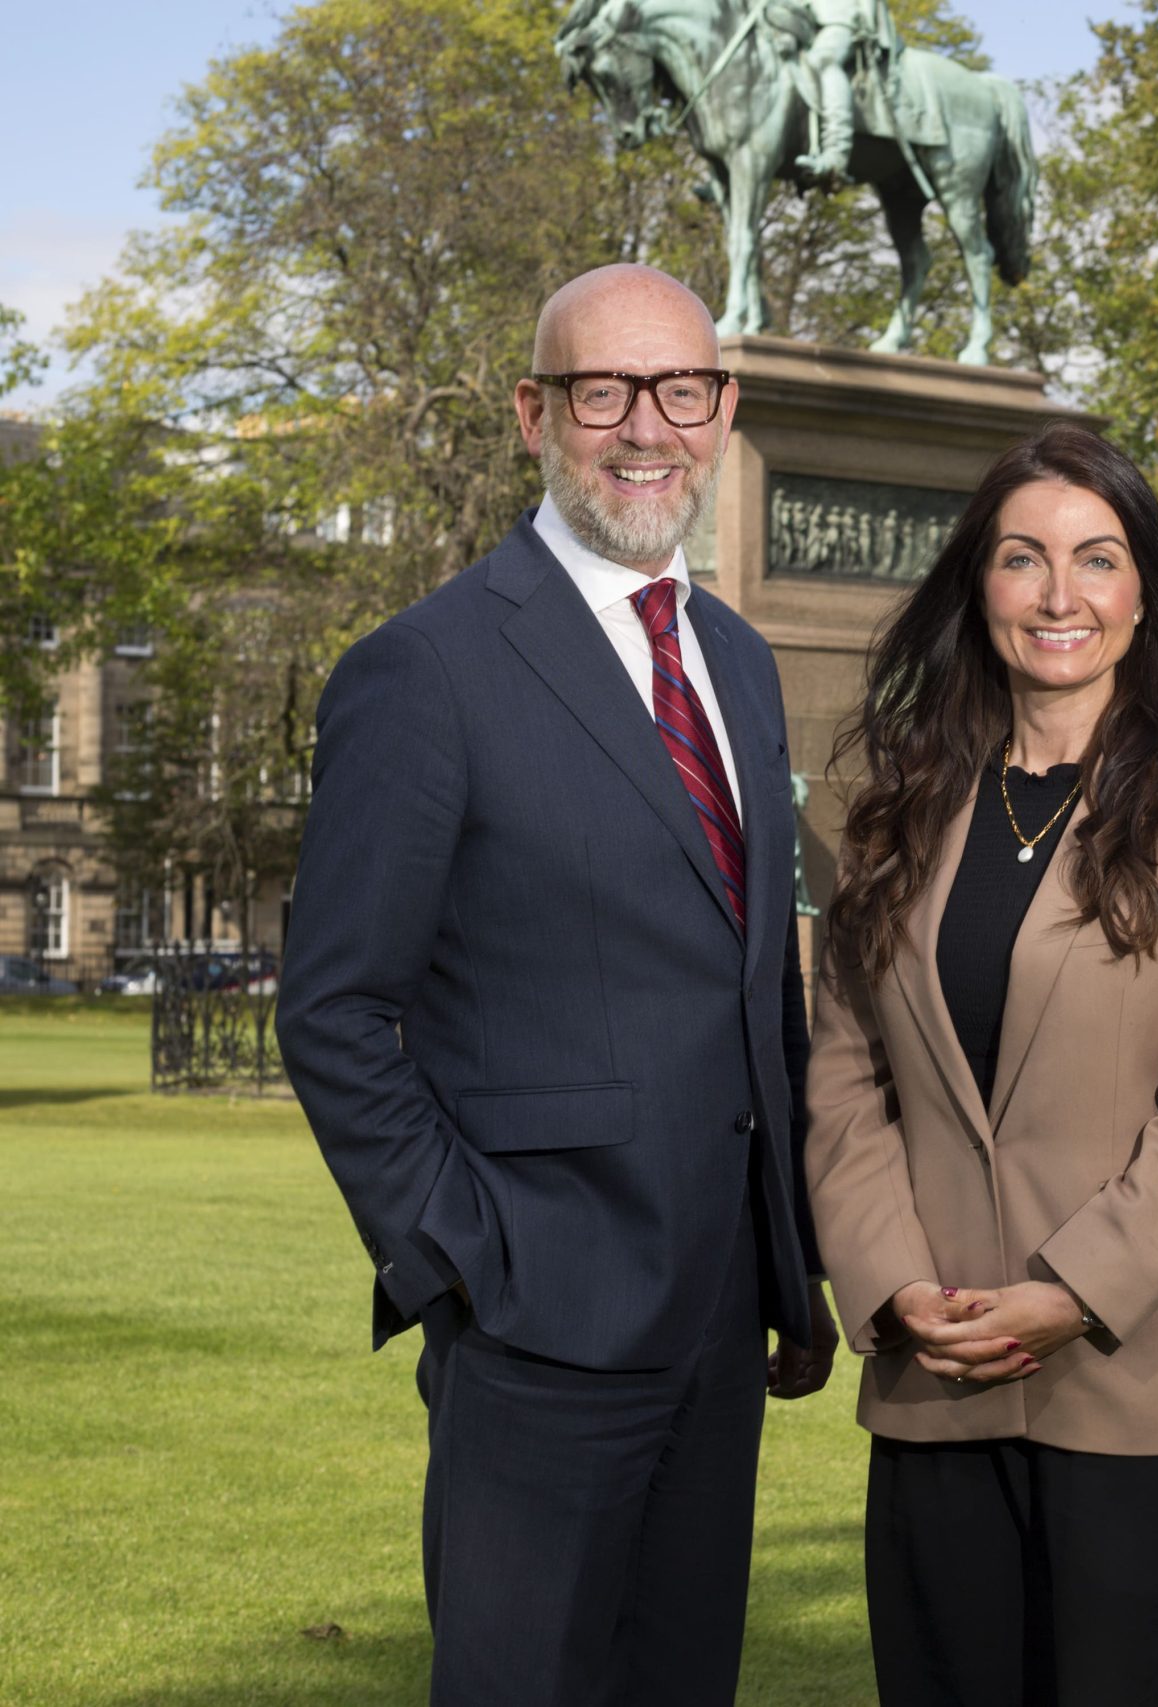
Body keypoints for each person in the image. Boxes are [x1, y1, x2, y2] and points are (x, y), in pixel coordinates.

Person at [275, 263, 837, 1707]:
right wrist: (465, 1253)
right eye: (604, 391)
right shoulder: (426, 669)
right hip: (534, 1321)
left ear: (723, 411)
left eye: (681, 390)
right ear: (536, 414)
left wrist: (791, 1256)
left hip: (723, 1315)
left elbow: (756, 979)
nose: (646, 427)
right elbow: (335, 1009)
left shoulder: (737, 661)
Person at [805, 421, 1158, 1707]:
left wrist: (1070, 1294)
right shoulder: (895, 812)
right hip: (939, 1383)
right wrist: (891, 1286)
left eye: (1096, 558)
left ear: (1142, 593)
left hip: (1150, 1390)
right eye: (1021, 557)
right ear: (977, 587)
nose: (1057, 595)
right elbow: (844, 1082)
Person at [788, 0, 902, 183]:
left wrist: (866, 19)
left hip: (839, 16)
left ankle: (837, 152)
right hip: (798, 17)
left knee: (825, 60)